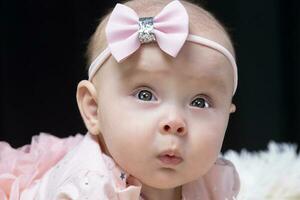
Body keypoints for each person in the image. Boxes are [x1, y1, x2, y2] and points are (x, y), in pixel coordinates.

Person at [0, 0, 240, 199]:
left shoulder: (212, 180)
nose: (174, 122)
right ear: (94, 109)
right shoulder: (88, 187)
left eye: (200, 102)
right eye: (145, 95)